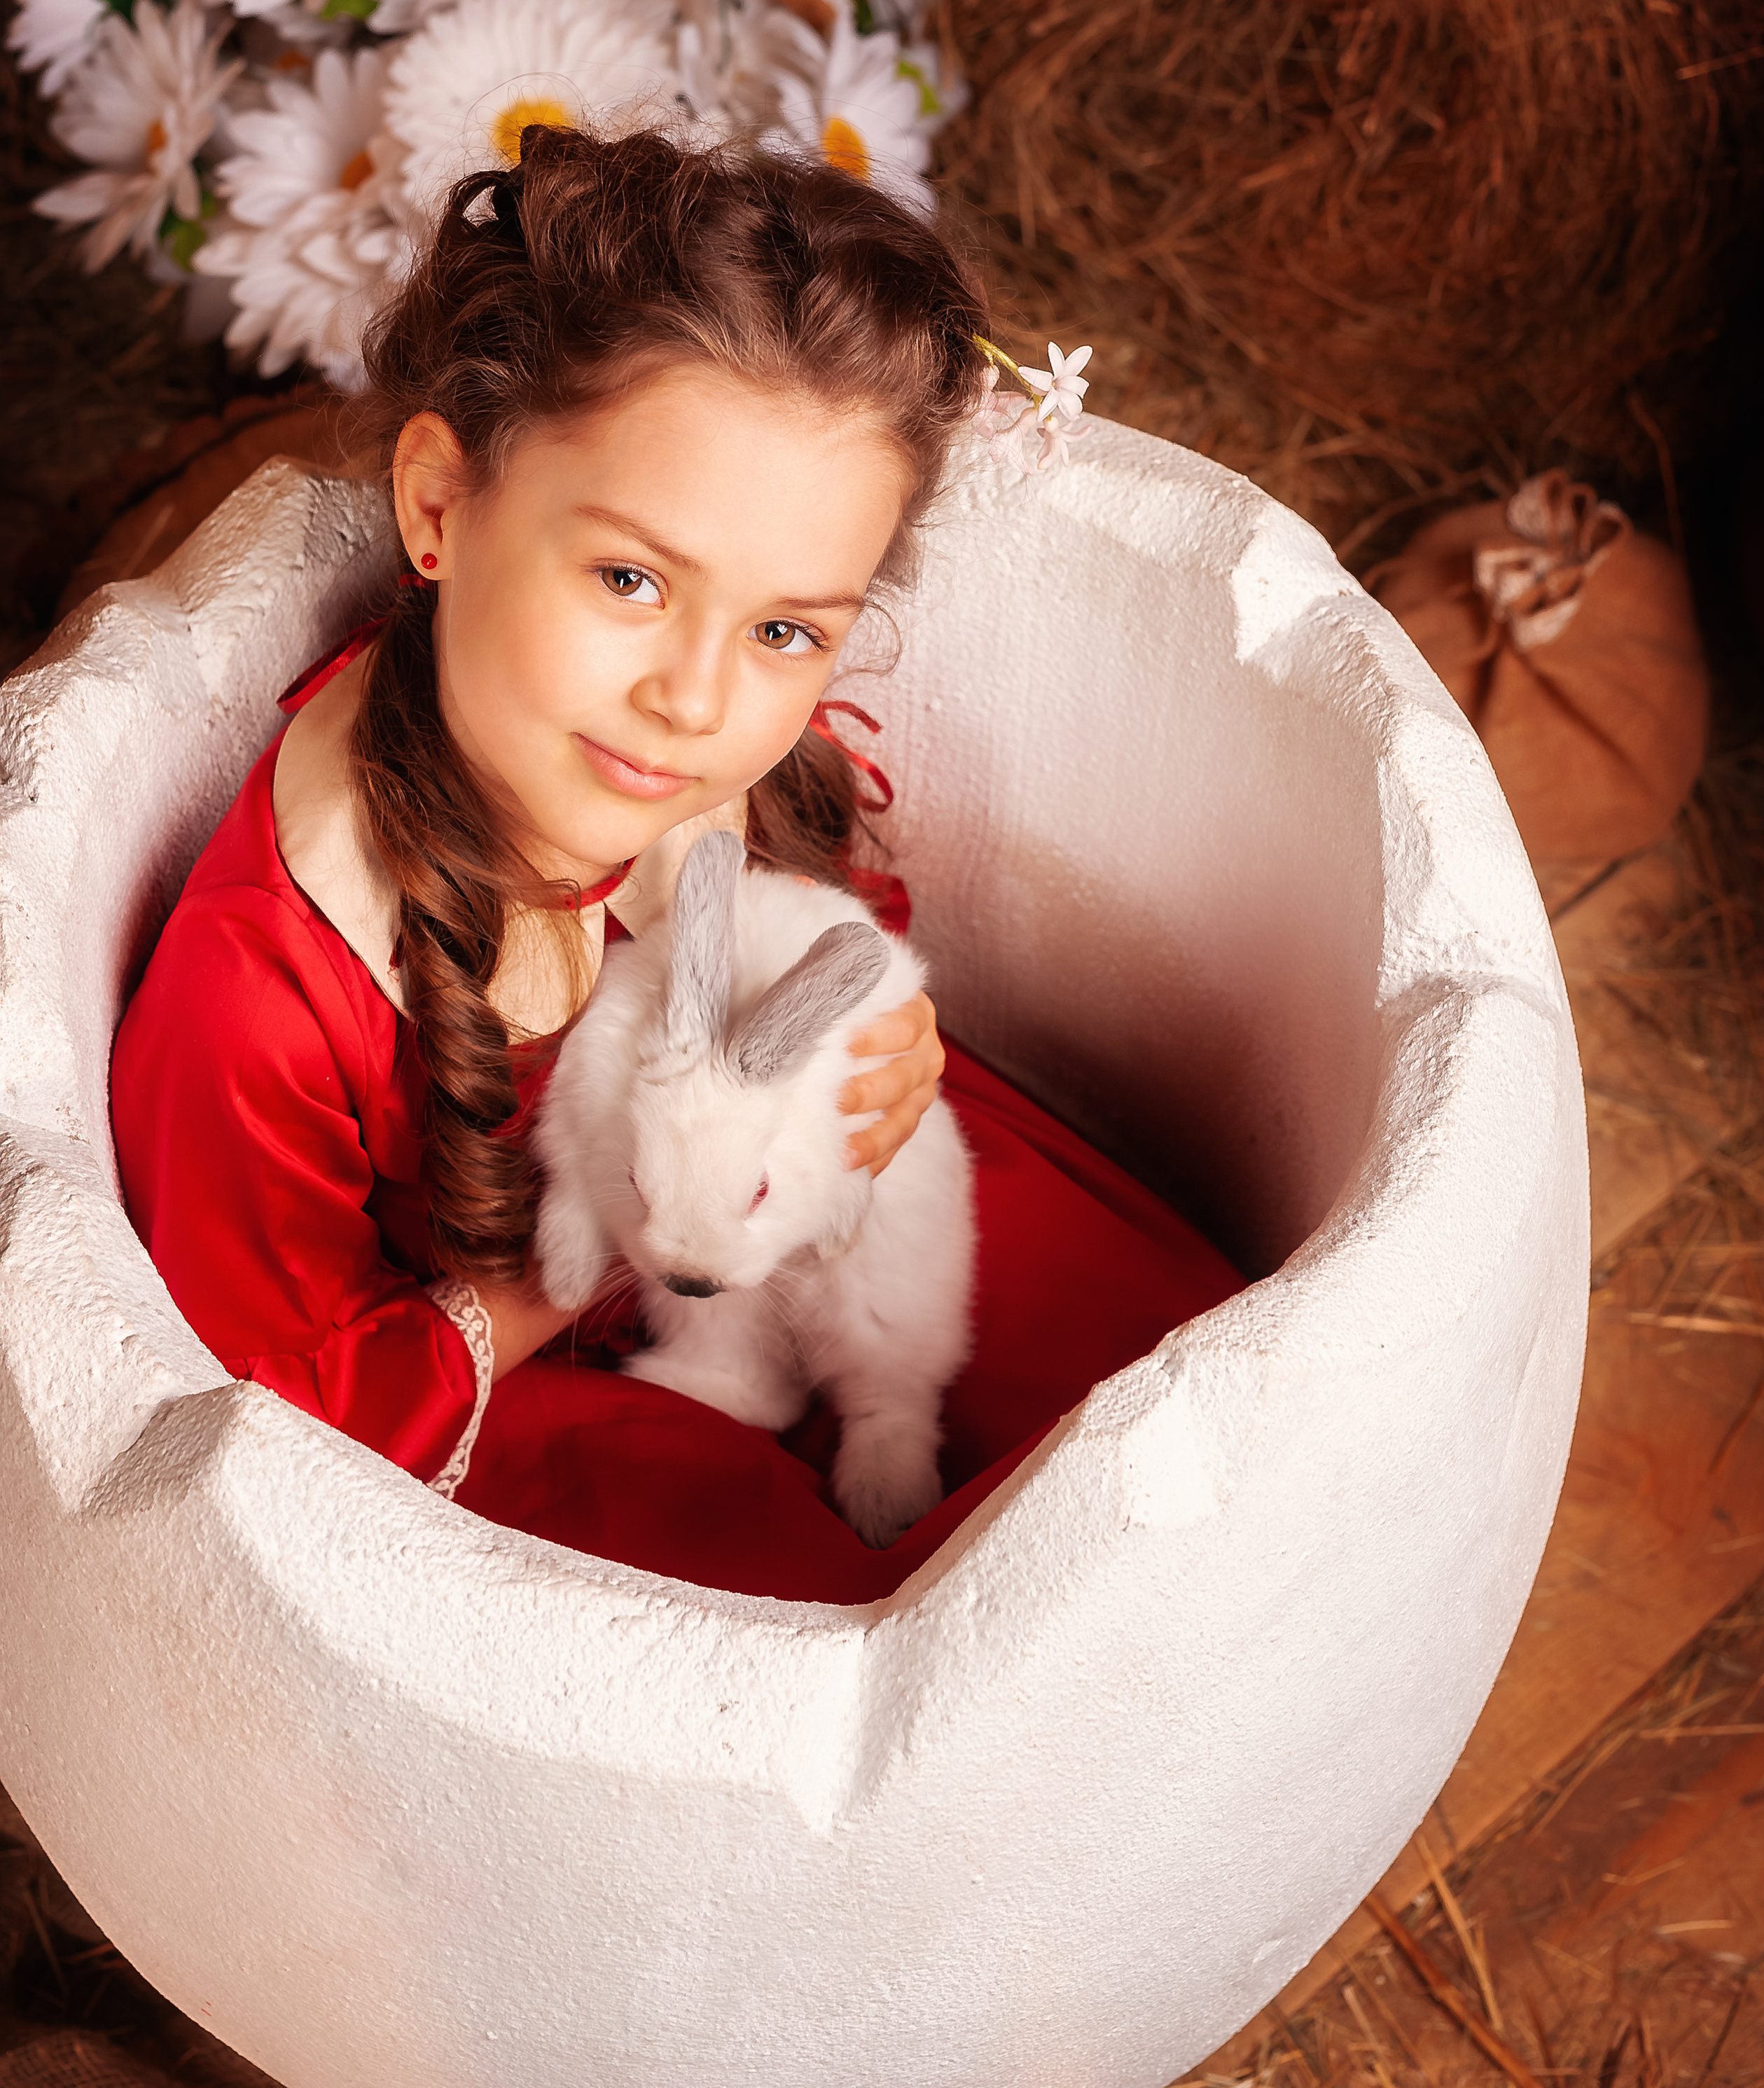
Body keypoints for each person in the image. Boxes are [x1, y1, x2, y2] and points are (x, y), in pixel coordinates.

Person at [111, 125, 1243, 1605]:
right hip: (525, 1364)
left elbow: (829, 927)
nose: (698, 703)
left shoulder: (692, 772)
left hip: (786, 1203)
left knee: (1174, 1391)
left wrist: (877, 1053)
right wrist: (588, 1247)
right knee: (804, 1619)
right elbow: (276, 1402)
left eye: (782, 629)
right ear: (441, 504)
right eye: (630, 580)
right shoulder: (268, 988)